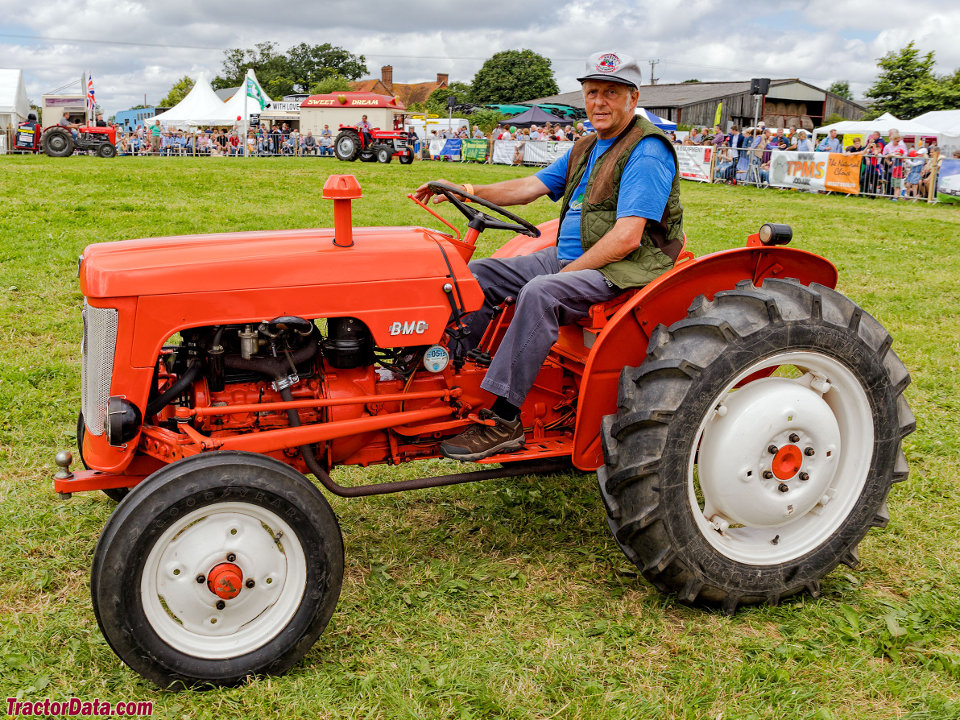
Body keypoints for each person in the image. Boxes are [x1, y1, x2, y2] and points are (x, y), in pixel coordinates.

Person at [413, 50, 682, 461]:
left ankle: (504, 420)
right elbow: (529, 186)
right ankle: (448, 375)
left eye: (611, 92)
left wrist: (566, 272)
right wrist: (465, 190)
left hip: (624, 268)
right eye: (592, 92)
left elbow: (628, 238)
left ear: (633, 97)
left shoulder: (646, 150)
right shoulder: (588, 146)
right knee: (480, 274)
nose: (599, 102)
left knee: (540, 292)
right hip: (569, 257)